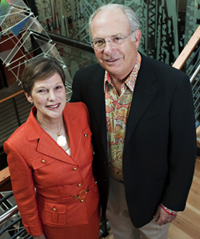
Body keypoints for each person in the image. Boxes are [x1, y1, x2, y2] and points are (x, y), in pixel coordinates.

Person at [70, 3, 197, 239]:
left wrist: (172, 202)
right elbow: (73, 130)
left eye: (117, 38)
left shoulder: (173, 84)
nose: (108, 50)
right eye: (99, 41)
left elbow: (184, 151)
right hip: (112, 188)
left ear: (136, 38)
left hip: (154, 192)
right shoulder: (84, 81)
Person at [4, 57, 100, 239]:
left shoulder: (81, 111)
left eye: (58, 87)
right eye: (42, 90)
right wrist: (37, 234)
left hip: (93, 209)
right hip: (59, 225)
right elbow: (25, 199)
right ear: (28, 96)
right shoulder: (17, 145)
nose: (52, 98)